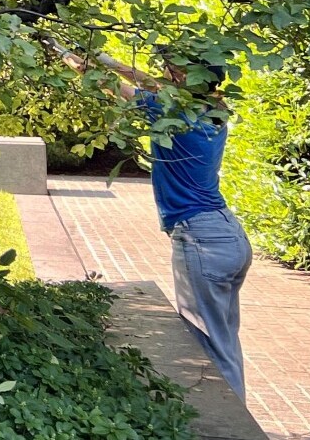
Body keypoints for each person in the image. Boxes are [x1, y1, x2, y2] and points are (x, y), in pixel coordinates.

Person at [96, 46, 252, 399]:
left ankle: (227, 426)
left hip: (201, 240)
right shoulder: (214, 111)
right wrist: (107, 58)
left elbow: (107, 84)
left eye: (171, 70)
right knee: (224, 342)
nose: (164, 74)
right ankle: (238, 418)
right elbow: (153, 85)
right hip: (228, 236)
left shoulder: (173, 115)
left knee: (206, 346)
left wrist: (63, 53)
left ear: (184, 78)